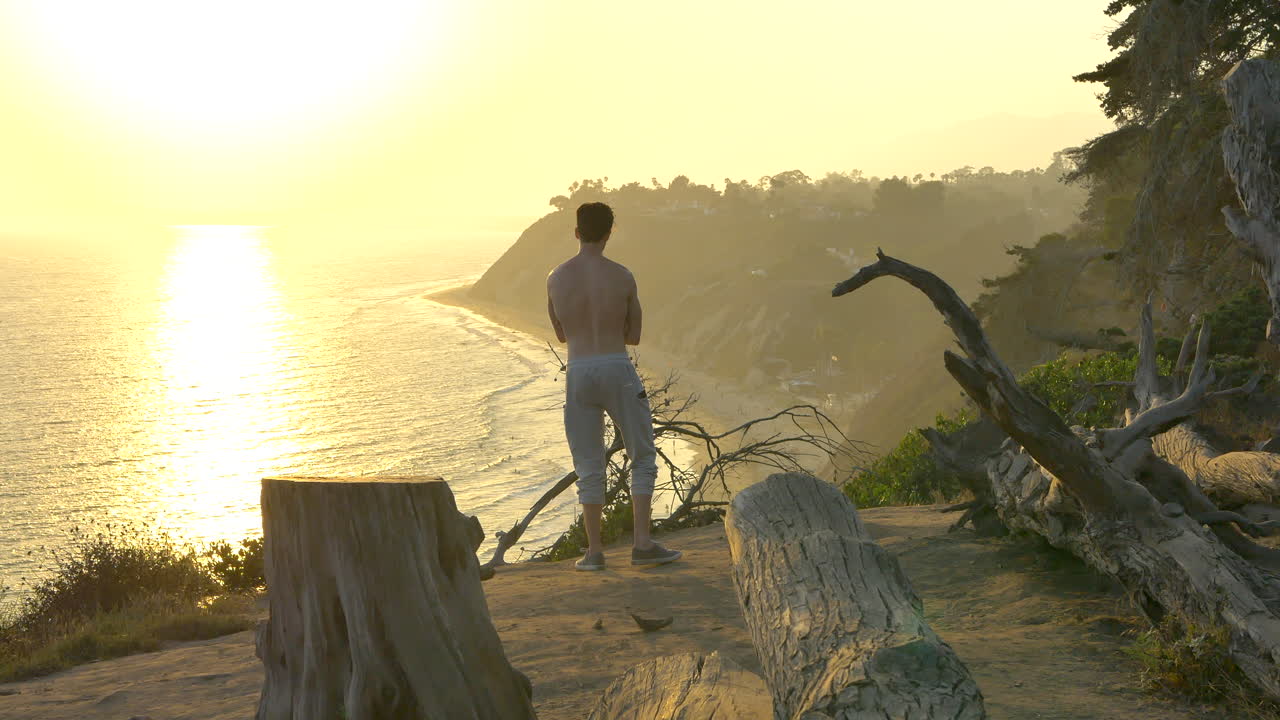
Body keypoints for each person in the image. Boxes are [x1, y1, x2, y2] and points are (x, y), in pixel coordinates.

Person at [547, 202, 681, 571]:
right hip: (616, 366)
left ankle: (593, 552)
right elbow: (634, 335)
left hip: (579, 369)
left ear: (577, 232)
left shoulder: (556, 278)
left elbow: (561, 333)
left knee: (588, 464)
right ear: (609, 234)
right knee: (642, 456)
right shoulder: (622, 276)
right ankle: (641, 544)